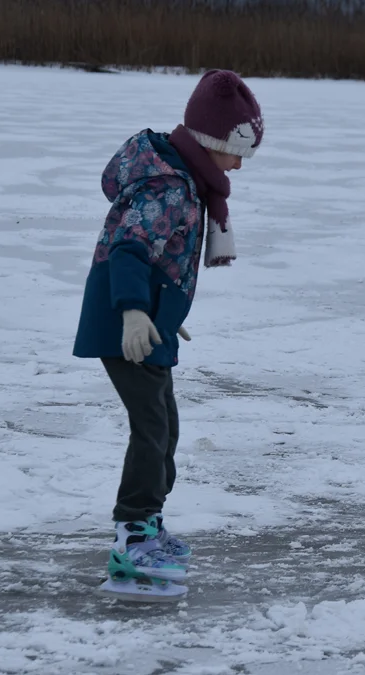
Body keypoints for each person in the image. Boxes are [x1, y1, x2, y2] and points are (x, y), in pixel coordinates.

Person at [72, 70, 263, 600]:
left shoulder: (186, 181)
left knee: (166, 425)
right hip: (125, 326)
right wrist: (135, 313)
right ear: (209, 140)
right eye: (236, 151)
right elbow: (130, 250)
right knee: (152, 427)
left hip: (147, 322)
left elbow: (162, 258)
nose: (240, 165)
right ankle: (132, 536)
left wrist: (164, 308)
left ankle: (148, 523)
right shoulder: (169, 187)